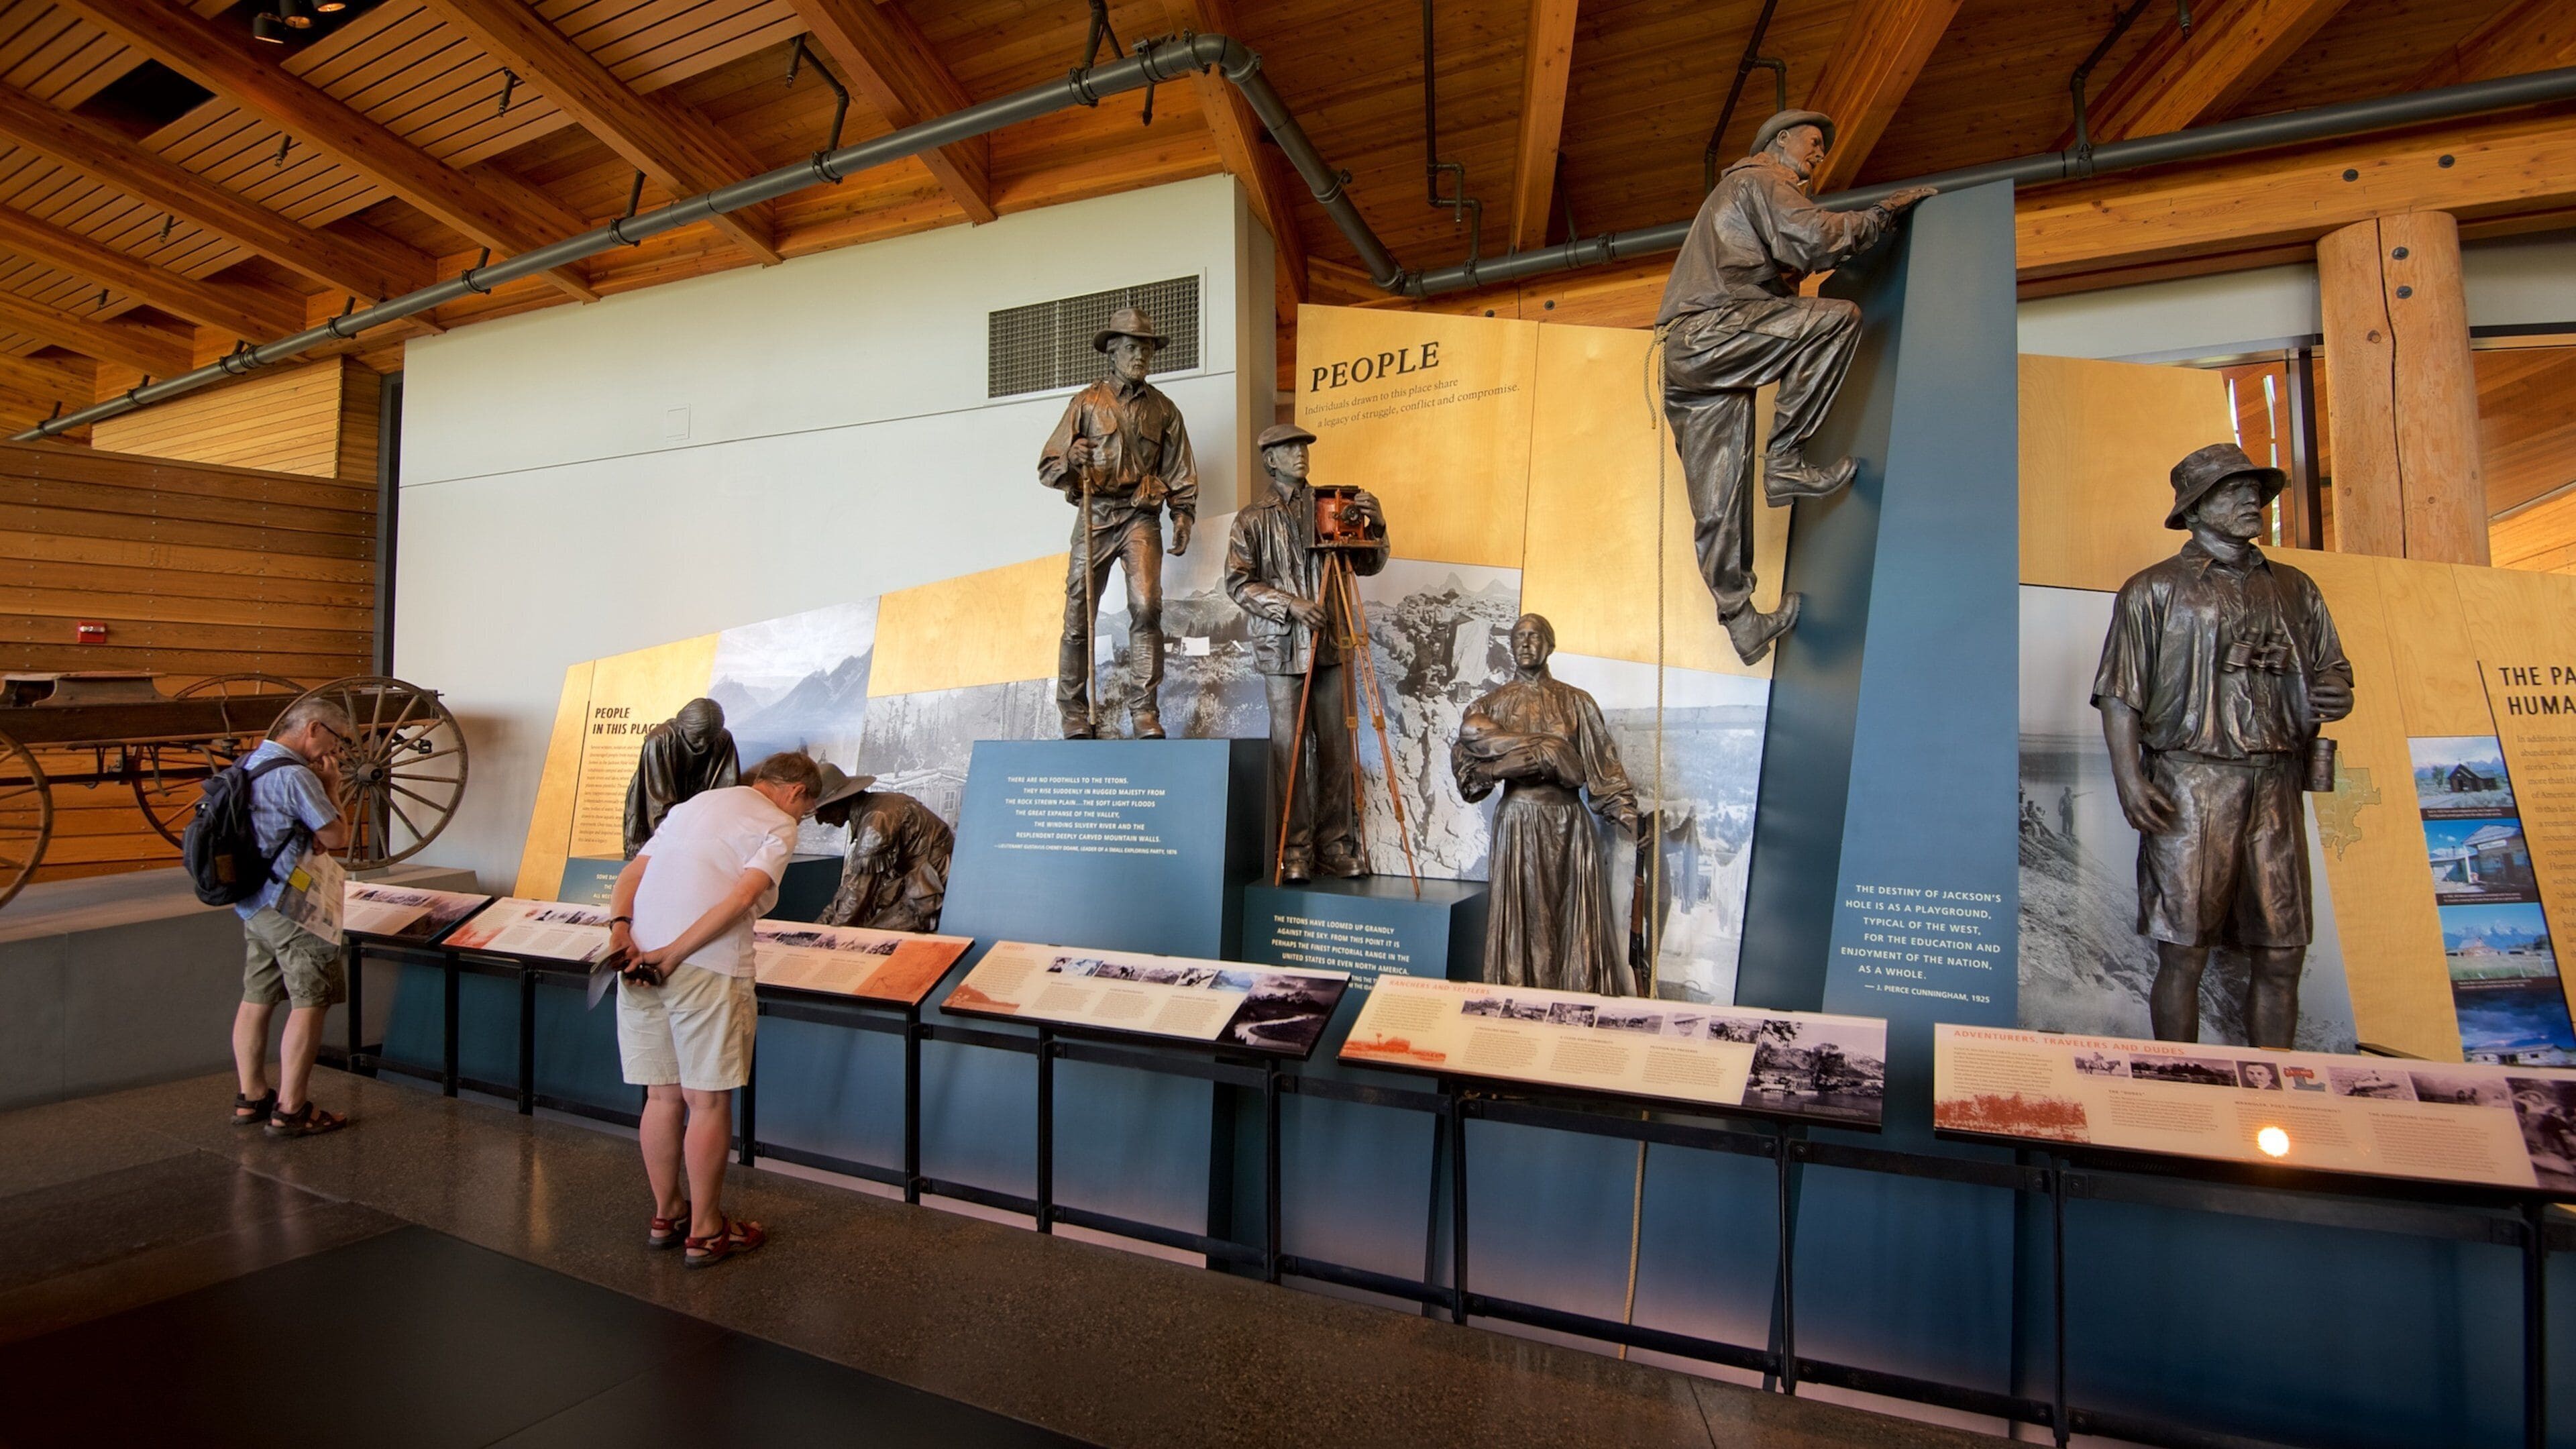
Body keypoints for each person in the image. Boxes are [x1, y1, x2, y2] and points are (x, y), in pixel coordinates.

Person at [2094, 442, 2354, 1049]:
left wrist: (2336, 691)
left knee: (2283, 952)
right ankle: (2179, 1093)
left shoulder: (2295, 587)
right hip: (2190, 784)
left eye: (2255, 491)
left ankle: (2274, 1096)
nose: (2251, 501)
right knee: (2184, 952)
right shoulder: (2152, 590)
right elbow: (2118, 695)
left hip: (2275, 784)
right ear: (2195, 507)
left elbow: (2333, 666)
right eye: (2233, 491)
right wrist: (2131, 780)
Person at [1658, 109, 1935, 665]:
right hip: (1713, 333)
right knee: (1834, 319)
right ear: (1780, 140)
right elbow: (1814, 238)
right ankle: (1785, 459)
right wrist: (1880, 216)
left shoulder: (1742, 191)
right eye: (1813, 142)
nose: (1818, 154)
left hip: (1689, 353)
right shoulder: (1760, 181)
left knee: (1720, 495)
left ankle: (1742, 621)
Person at [606, 751, 822, 1267]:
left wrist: (621, 934)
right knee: (705, 1102)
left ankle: (668, 1213)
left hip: (636, 958)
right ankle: (705, 1230)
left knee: (661, 1098)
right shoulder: (777, 823)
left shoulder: (694, 806)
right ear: (794, 792)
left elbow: (633, 874)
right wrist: (675, 953)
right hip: (706, 966)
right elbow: (742, 896)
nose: (802, 819)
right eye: (808, 810)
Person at [1223, 422, 1388, 881]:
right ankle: (1293, 850)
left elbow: (1367, 563)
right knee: (1289, 749)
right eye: (1289, 449)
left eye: (1303, 448)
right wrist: (1291, 605)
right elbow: (1238, 582)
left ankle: (1334, 846)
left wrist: (1376, 525)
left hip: (1332, 645)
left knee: (1335, 746)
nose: (1300, 455)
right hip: (1282, 649)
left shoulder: (1331, 506)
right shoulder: (1252, 520)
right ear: (1270, 459)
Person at [1453, 614, 1642, 994]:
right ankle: (1519, 1003)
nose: (1526, 643)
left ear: (1550, 645)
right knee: (1525, 920)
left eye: (1535, 636)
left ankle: (1576, 1003)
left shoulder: (1577, 702)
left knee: (1573, 918)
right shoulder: (1489, 706)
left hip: (1570, 822)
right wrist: (1500, 769)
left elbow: (1603, 768)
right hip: (1518, 821)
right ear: (1510, 646)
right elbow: (1468, 774)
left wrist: (1628, 815)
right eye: (1519, 637)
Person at [1040, 306, 1198, 739]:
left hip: (1141, 518)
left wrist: (1182, 516)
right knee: (1078, 612)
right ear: (1112, 351)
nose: (1140, 356)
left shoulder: (1164, 410)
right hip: (1095, 514)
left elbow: (1180, 470)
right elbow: (1049, 466)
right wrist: (1072, 460)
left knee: (1147, 608)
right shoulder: (1086, 403)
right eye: (1131, 348)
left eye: (1146, 349)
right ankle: (1073, 712)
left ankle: (1144, 710)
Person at [229, 696, 358, 1137]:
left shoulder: (252, 762)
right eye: (336, 741)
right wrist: (334, 789)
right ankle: (292, 1108)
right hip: (294, 909)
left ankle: (251, 1098)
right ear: (314, 728)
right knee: (310, 1001)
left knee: (256, 998)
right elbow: (336, 835)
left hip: (255, 903)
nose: (334, 754)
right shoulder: (296, 775)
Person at [811, 762, 953, 932]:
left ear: (839, 802)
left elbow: (859, 891)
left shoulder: (877, 819)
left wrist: (830, 935)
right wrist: (818, 928)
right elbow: (851, 886)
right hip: (914, 881)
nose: (819, 821)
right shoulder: (871, 809)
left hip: (930, 885)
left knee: (873, 936)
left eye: (821, 811)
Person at [623, 698, 740, 857]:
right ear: (683, 725)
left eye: (710, 737)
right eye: (698, 736)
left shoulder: (723, 739)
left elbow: (726, 792)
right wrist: (679, 835)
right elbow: (657, 800)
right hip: (662, 818)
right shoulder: (660, 740)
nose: (704, 743)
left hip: (700, 823)